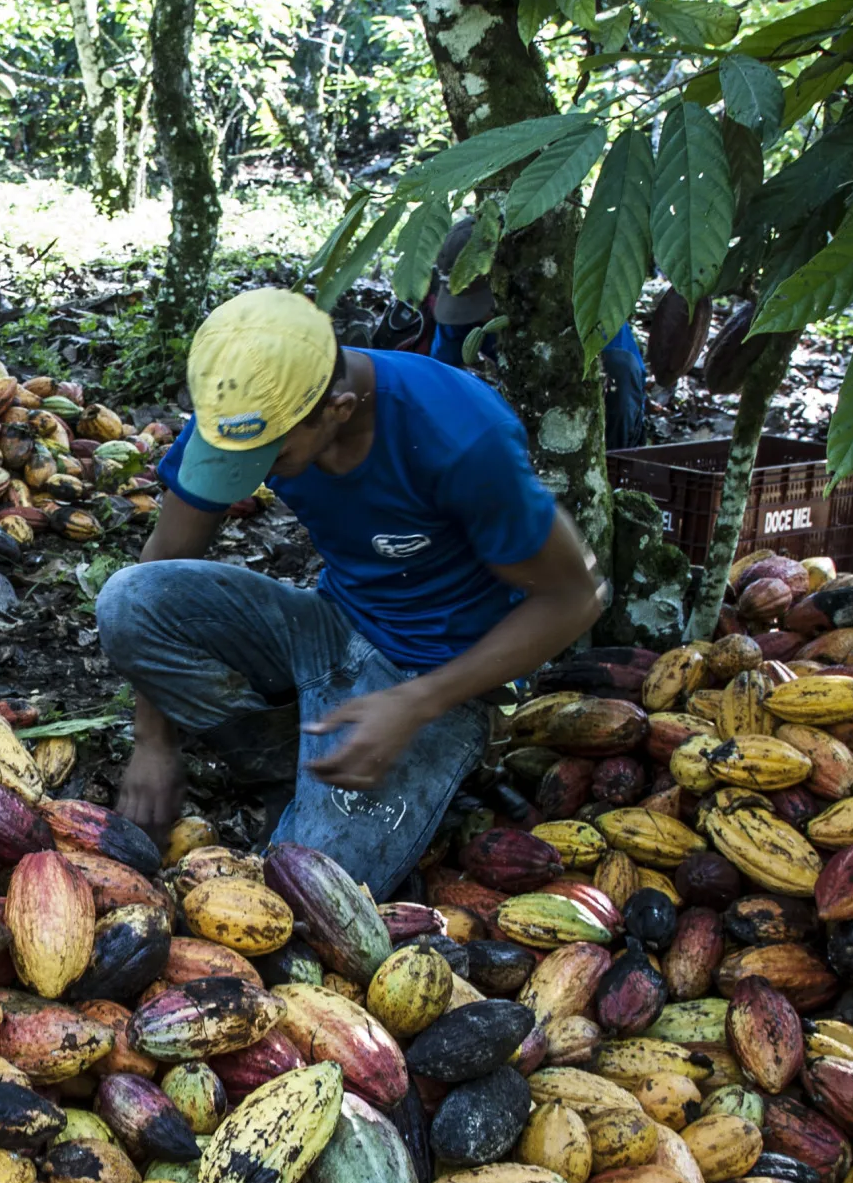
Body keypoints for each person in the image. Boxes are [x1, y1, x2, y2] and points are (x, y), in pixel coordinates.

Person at [98, 287, 608, 898]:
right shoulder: (247, 407)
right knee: (128, 600)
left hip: (439, 677)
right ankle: (296, 759)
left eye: (271, 454)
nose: (250, 472)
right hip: (333, 625)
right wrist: (154, 741)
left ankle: (409, 770)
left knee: (310, 894)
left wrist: (416, 703)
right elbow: (164, 564)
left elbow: (576, 597)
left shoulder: (460, 436)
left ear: (339, 409)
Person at [426, 219, 649, 452]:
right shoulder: (465, 318)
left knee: (620, 368)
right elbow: (440, 374)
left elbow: (624, 382)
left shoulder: (571, 296)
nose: (476, 317)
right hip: (524, 404)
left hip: (592, 404)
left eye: (481, 307)